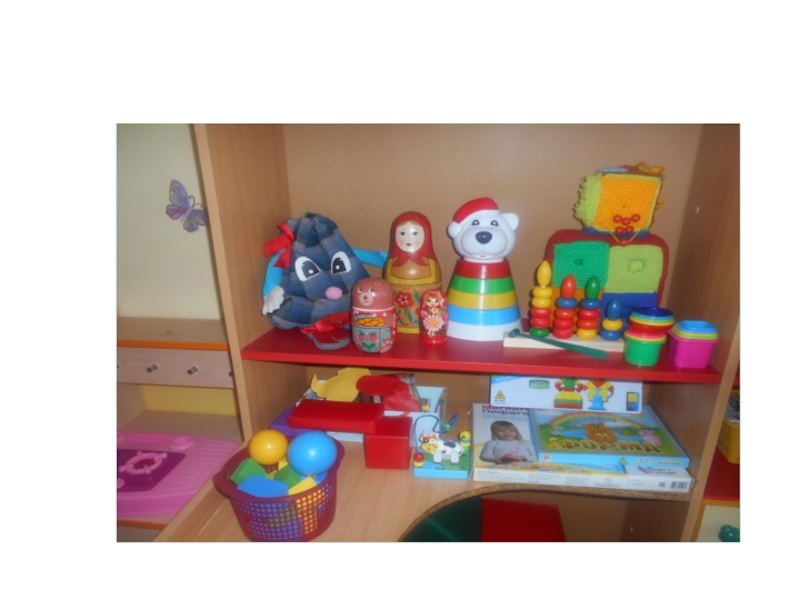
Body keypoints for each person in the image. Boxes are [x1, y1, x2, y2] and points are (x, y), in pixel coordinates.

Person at [383, 212, 442, 333]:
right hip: (396, 329)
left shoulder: (431, 264)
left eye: (415, 233)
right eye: (402, 233)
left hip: (427, 330)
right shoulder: (391, 263)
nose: (408, 239)